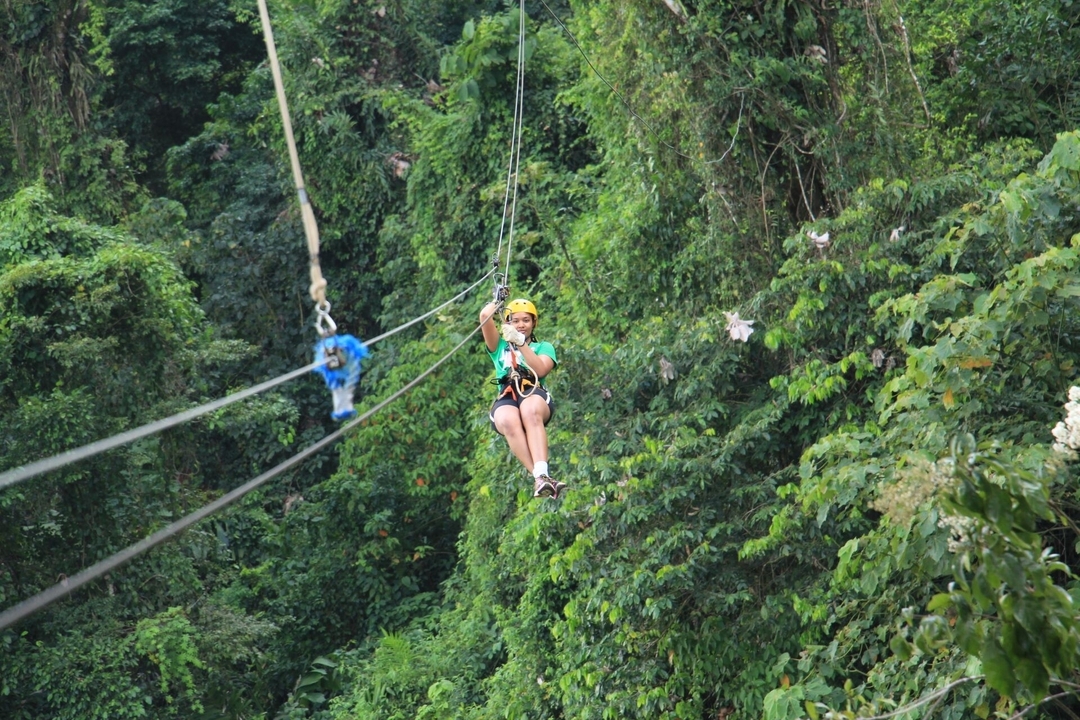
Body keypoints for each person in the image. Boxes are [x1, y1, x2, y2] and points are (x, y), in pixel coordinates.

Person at [480, 298, 564, 498]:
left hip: (532, 390)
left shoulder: (543, 347)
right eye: (515, 320)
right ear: (507, 323)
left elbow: (541, 368)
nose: (521, 325)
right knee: (506, 420)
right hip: (508, 393)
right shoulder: (499, 346)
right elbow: (485, 316)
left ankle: (543, 471)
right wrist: (498, 300)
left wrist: (520, 343)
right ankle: (539, 478)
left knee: (530, 410)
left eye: (526, 320)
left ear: (534, 323)